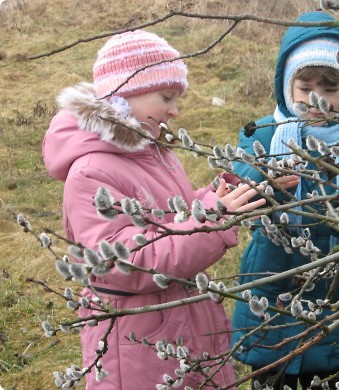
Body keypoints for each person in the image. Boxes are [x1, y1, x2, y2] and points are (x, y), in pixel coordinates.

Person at [42, 30, 265, 389]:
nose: (175, 110)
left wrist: (215, 195)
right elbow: (130, 260)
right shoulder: (90, 172)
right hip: (136, 340)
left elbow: (164, 217)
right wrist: (213, 216)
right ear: (125, 94)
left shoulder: (153, 150)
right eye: (166, 97)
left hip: (181, 318)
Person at [230, 11, 339, 389]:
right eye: (305, 87)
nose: (316, 99)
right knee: (271, 371)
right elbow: (239, 177)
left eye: (329, 88)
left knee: (326, 372)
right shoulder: (265, 132)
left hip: (333, 283)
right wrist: (266, 181)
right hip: (271, 277)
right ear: (287, 88)